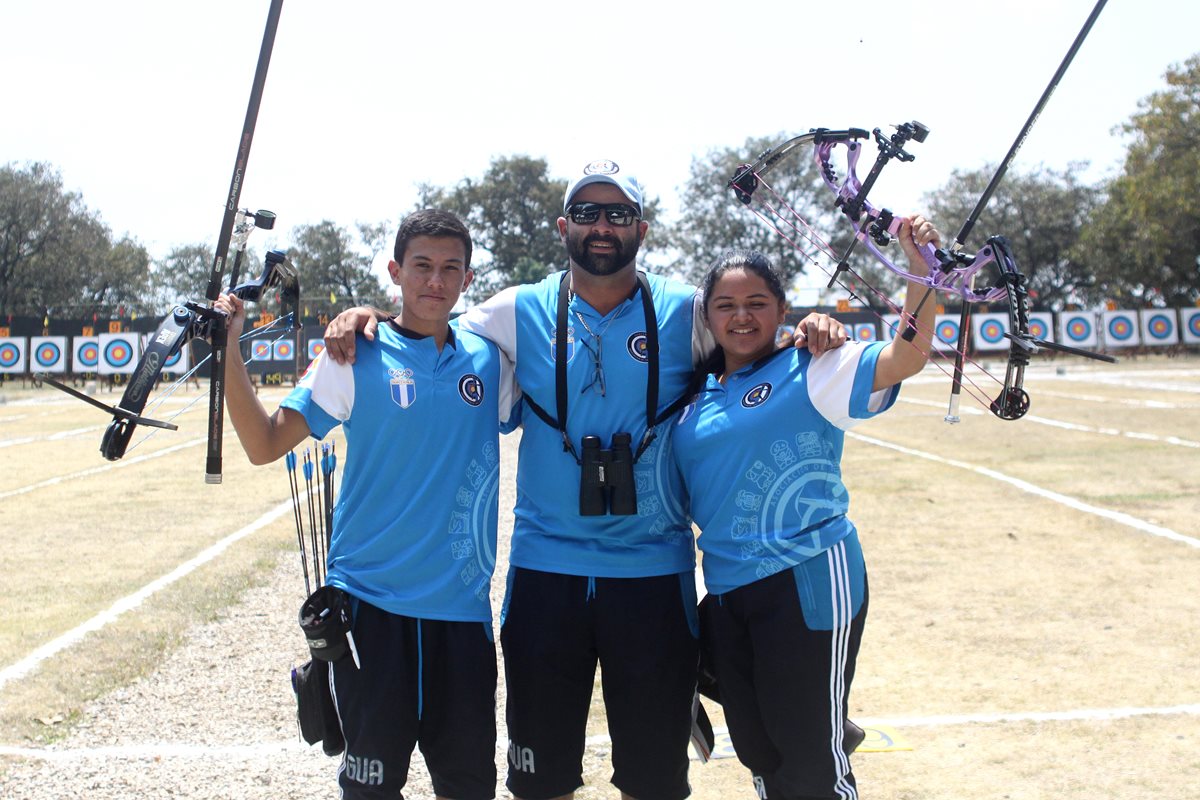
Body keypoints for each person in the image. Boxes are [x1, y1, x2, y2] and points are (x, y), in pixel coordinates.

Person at [322, 161, 847, 800]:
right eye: (588, 213)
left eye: (619, 214)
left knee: (654, 783)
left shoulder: (686, 310)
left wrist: (812, 328)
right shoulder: (516, 309)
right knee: (541, 781)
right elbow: (428, 322)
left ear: (642, 229)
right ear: (564, 225)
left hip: (655, 573)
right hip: (547, 575)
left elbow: (754, 343)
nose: (603, 226)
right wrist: (365, 315)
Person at [217, 209, 517, 800]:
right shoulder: (352, 355)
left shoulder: (489, 360)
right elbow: (263, 443)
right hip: (370, 612)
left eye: (450, 269)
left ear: (468, 279)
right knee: (371, 791)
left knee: (470, 789)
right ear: (395, 271)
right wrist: (228, 346)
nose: (435, 281)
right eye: (422, 266)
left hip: (463, 616)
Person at [670, 215, 942, 800]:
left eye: (757, 303)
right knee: (758, 747)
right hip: (728, 589)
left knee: (810, 755)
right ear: (707, 317)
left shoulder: (815, 365)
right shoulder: (695, 393)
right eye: (725, 305)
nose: (741, 316)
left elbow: (907, 356)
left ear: (782, 309)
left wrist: (921, 271)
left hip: (810, 575)